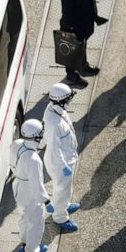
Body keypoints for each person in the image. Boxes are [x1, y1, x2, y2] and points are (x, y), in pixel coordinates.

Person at [9, 120, 52, 252]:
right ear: (37, 137)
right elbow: (37, 186)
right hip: (30, 195)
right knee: (36, 223)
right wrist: (46, 201)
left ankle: (25, 244)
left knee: (24, 217)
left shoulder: (17, 144)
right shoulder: (34, 160)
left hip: (19, 188)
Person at [42, 83, 80, 233]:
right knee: (61, 189)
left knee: (64, 188)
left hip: (65, 158)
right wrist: (63, 165)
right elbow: (54, 147)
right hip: (60, 162)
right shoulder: (53, 123)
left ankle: (63, 204)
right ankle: (60, 216)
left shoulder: (54, 108)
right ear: (62, 100)